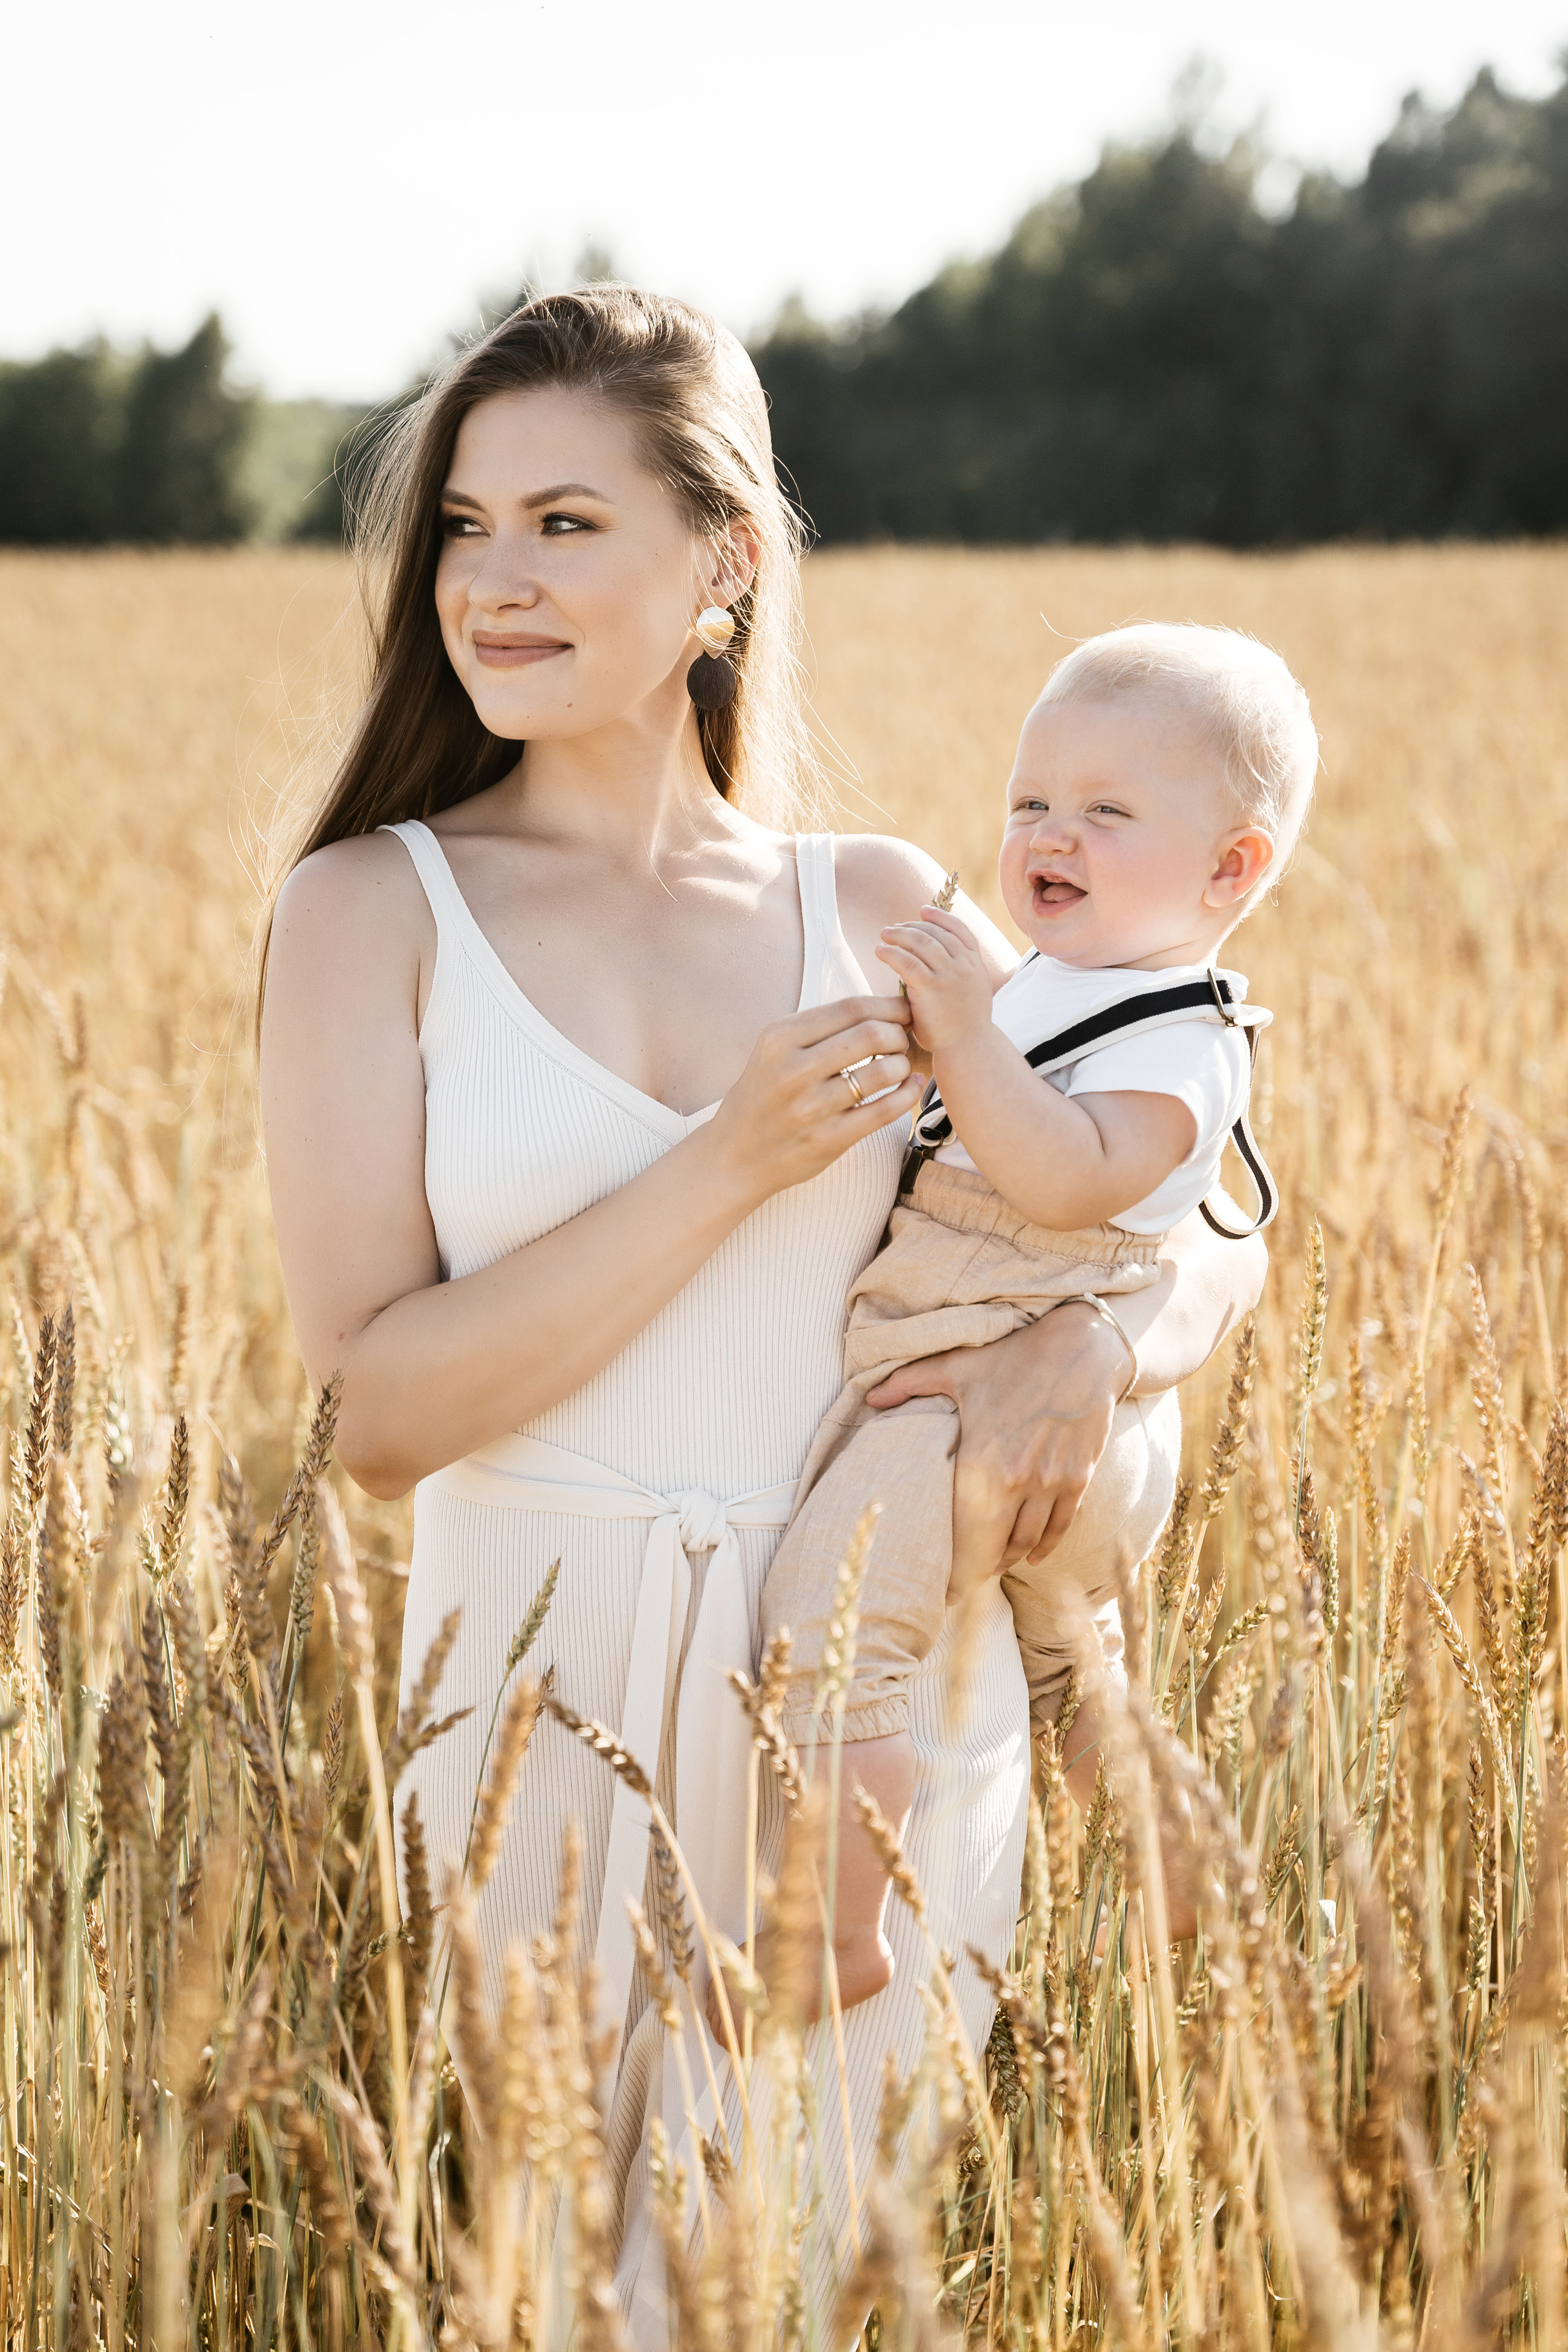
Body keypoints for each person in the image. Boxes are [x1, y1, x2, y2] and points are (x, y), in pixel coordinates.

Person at [256, 284, 1265, 2330]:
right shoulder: (374, 907)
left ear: (721, 562)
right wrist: (725, 1160)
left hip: (870, 1718)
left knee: (820, 2283)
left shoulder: (877, 902)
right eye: (463, 526)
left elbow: (1201, 1198)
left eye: (562, 523)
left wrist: (1098, 1339)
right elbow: (372, 1415)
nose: (494, 580)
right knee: (586, 2292)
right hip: (540, 1698)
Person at [753, 624, 1315, 2015]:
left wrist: (963, 1031)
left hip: (988, 1408)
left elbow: (1059, 1179)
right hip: (1013, 1398)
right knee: (1078, 1675)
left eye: (1106, 813)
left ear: (1230, 872)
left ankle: (829, 1935)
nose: (1047, 835)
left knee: (830, 1626)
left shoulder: (1179, 1035)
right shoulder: (1076, 988)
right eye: (1028, 804)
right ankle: (1198, 1905)